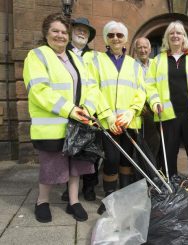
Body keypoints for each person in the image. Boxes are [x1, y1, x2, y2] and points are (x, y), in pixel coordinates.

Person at [23, 13, 112, 223]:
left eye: (64, 32)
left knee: (75, 166)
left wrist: (87, 109)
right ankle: (42, 201)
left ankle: (73, 201)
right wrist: (71, 110)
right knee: (50, 167)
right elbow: (39, 90)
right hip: (52, 126)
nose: (60, 36)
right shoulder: (37, 56)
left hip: (78, 123)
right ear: (46, 33)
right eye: (55, 31)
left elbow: (92, 87)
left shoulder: (75, 59)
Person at [89, 21, 146, 215]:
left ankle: (125, 195)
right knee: (111, 160)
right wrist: (107, 116)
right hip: (108, 124)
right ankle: (110, 197)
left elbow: (141, 91)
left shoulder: (134, 65)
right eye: (111, 35)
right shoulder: (96, 62)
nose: (115, 38)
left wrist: (132, 111)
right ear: (106, 38)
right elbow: (93, 89)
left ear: (125, 39)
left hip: (128, 122)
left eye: (119, 35)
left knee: (126, 161)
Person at [145, 21, 188, 184]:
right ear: (166, 37)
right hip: (167, 114)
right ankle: (170, 185)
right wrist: (154, 102)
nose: (175, 35)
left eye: (179, 32)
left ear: (184, 37)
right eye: (171, 33)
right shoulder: (157, 60)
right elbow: (149, 86)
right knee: (169, 153)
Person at [61, 17, 99, 202]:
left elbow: (97, 84)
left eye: (86, 30)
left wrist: (89, 109)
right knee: (68, 150)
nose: (82, 32)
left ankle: (89, 186)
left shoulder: (95, 56)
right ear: (72, 31)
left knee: (90, 152)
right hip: (66, 110)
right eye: (79, 29)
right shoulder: (61, 52)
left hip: (89, 111)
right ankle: (67, 188)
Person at [133, 37, 160, 161]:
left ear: (150, 49)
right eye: (139, 47)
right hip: (141, 110)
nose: (143, 50)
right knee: (144, 144)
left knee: (158, 141)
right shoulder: (131, 66)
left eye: (145, 47)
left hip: (157, 108)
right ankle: (145, 172)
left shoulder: (156, 64)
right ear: (135, 50)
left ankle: (157, 169)